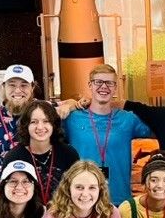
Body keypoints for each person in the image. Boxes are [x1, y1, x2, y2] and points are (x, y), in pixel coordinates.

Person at [0, 64, 75, 191]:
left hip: (43, 194)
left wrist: (69, 106)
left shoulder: (45, 110)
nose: (18, 90)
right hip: (2, 198)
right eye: (12, 85)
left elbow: (73, 102)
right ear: (3, 87)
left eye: (24, 85)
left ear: (32, 87)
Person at [63, 64, 153, 205]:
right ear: (90, 85)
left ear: (115, 87)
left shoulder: (128, 119)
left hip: (118, 199)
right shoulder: (72, 119)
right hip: (81, 199)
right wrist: (69, 104)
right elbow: (41, 120)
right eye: (98, 82)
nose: (103, 87)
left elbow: (159, 129)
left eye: (109, 83)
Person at [2, 98, 80, 205]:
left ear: (54, 124)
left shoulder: (69, 154)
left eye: (46, 121)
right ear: (26, 125)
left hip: (62, 217)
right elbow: (7, 197)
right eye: (34, 122)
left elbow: (78, 190)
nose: (40, 127)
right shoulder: (13, 157)